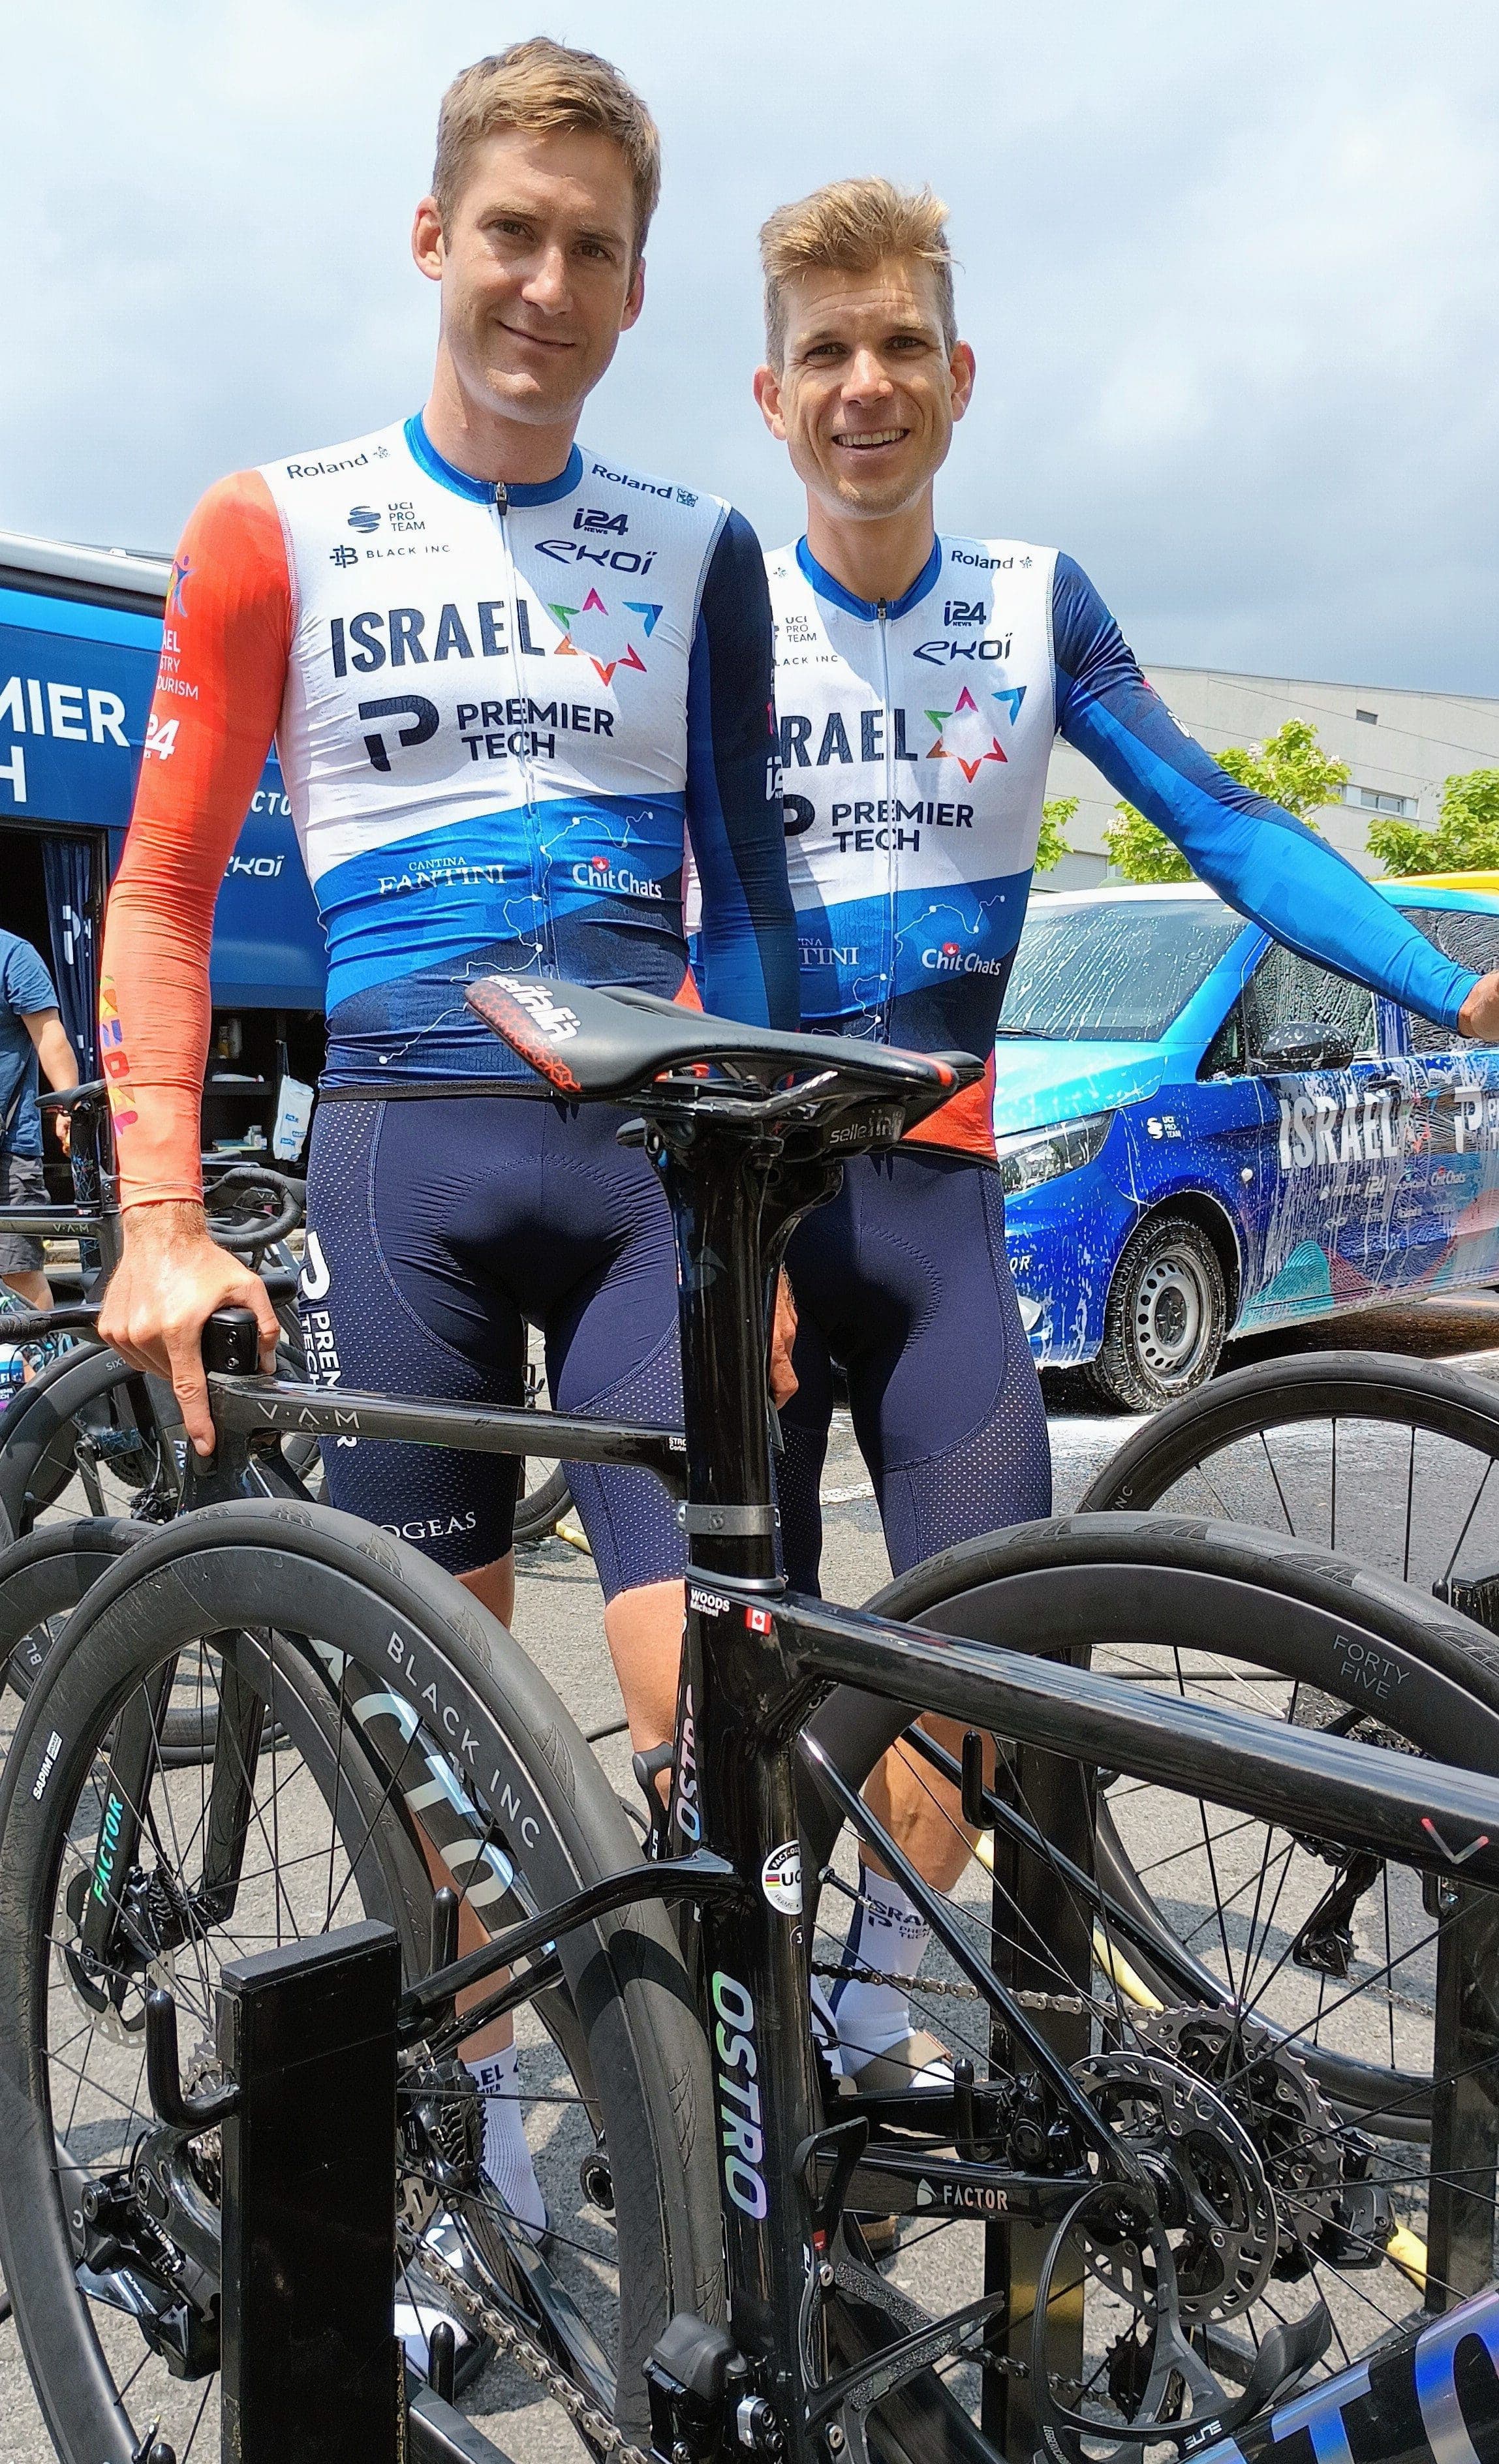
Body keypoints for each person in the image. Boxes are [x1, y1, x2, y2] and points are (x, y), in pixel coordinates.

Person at [97, 37, 797, 2236]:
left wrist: (761, 1223)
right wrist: (155, 1219)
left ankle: (720, 2119)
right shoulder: (269, 522)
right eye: (512, 229)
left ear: (633, 285)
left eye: (591, 246)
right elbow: (161, 893)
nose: (544, 278)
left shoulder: (701, 552)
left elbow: (758, 928)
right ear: (433, 237)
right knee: (435, 1735)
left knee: (719, 1704)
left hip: (642, 1193)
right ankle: (473, 2150)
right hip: (405, 1164)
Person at [752, 177, 1499, 2095]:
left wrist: (1450, 983)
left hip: (934, 1218)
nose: (864, 384)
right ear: (770, 396)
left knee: (984, 1666)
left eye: (899, 343)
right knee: (727, 1697)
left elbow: (1228, 828)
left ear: (959, 371)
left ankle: (847, 2041)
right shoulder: (714, 617)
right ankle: (702, 2052)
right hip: (733, 1218)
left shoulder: (1026, 608)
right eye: (823, 351)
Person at [0, 927, 78, 1310]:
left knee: (18, 1273)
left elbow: (50, 1038)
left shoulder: (14, 955)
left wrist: (68, 1107)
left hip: (8, 1148)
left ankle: (41, 1370)